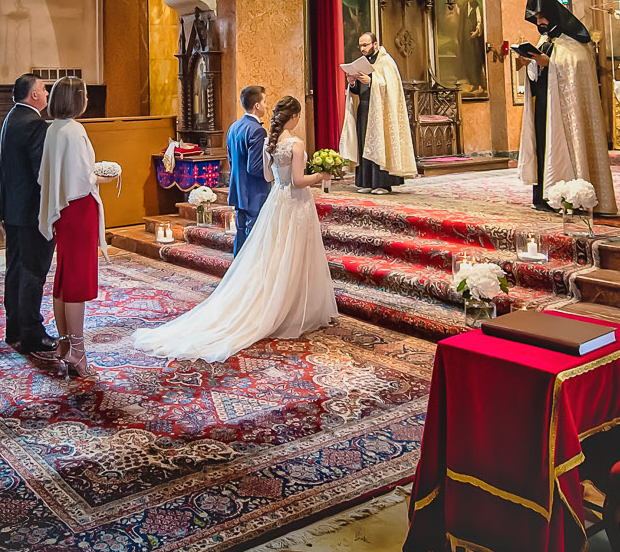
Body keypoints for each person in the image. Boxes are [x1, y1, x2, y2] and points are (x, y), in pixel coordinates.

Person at [132, 95, 339, 362]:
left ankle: (281, 304)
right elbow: (299, 181)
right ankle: (295, 310)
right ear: (295, 117)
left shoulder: (270, 141)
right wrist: (321, 176)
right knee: (296, 253)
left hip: (276, 202)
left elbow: (268, 176)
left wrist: (285, 175)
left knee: (277, 254)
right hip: (296, 204)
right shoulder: (296, 144)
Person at [38, 78, 119, 378]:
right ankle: (77, 350)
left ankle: (63, 343)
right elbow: (84, 179)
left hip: (63, 212)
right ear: (78, 100)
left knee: (64, 274)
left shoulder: (53, 129)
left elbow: (56, 175)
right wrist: (105, 178)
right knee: (78, 280)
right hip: (79, 208)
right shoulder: (75, 130)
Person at [512, 0, 617, 214]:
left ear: (553, 15)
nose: (539, 22)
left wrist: (549, 63)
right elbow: (540, 68)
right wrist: (528, 63)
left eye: (541, 17)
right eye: (536, 18)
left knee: (558, 145)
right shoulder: (545, 39)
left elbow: (574, 66)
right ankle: (544, 197)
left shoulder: (574, 42)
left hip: (563, 112)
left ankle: (569, 197)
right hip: (544, 104)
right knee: (542, 145)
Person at [0, 72, 55, 354]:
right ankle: (33, 333)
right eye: (43, 89)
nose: (46, 94)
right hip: (31, 212)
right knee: (33, 272)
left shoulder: (12, 117)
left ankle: (15, 329)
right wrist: (53, 209)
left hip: (14, 209)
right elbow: (41, 173)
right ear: (33, 94)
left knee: (16, 270)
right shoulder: (34, 124)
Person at [338, 31, 416, 193]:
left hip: (381, 111)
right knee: (364, 144)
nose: (362, 48)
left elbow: (391, 88)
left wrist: (372, 81)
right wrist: (353, 83)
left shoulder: (386, 62)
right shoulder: (363, 62)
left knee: (379, 143)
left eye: (365, 45)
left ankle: (383, 183)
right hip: (365, 108)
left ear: (375, 44)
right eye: (360, 45)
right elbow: (358, 91)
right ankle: (367, 182)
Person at [226, 84, 271, 254]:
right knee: (254, 236)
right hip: (255, 191)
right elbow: (255, 167)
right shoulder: (258, 131)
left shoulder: (233, 127)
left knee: (241, 234)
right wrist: (273, 174)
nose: (266, 106)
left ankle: (238, 272)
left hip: (238, 188)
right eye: (265, 102)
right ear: (257, 105)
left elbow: (231, 161)